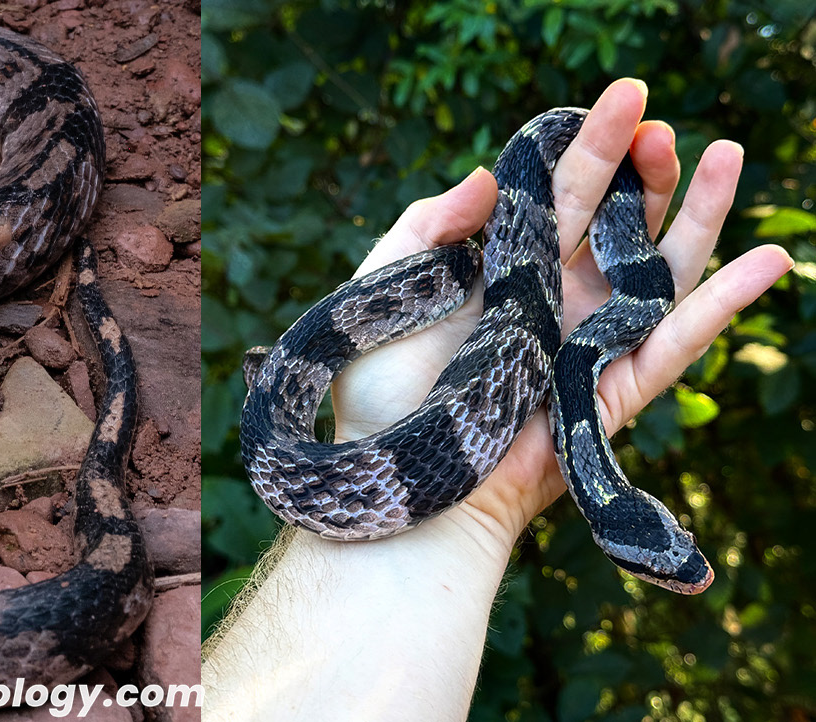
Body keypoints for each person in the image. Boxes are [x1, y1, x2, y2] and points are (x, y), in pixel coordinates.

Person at [203, 78, 795, 719]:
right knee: (567, 280)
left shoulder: (574, 368)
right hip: (385, 435)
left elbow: (572, 356)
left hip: (483, 385)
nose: (689, 574)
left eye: (666, 565)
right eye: (674, 553)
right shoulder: (566, 372)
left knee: (601, 303)